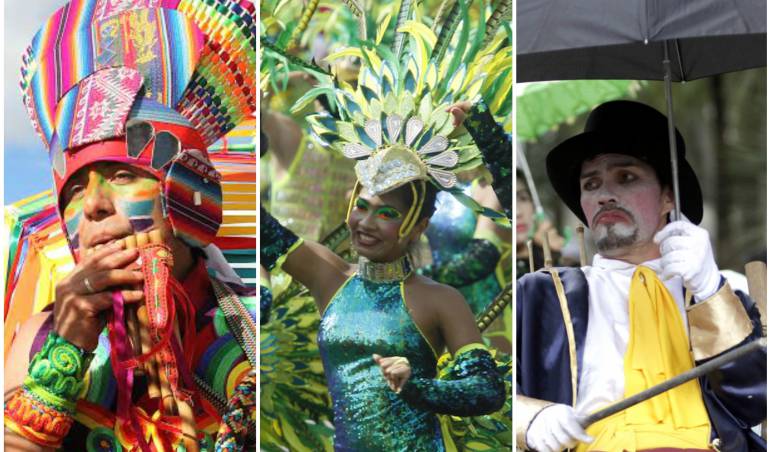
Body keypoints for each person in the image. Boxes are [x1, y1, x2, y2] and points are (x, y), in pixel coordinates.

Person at [4, 1, 256, 451]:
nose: (95, 206)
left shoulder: (255, 326)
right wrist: (64, 352)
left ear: (185, 191)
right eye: (76, 190)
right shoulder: (38, 333)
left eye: (122, 176)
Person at [260, 6, 511, 448]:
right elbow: (263, 229)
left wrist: (419, 387)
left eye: (387, 213)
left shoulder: (440, 300)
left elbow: (486, 391)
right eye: (362, 206)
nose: (365, 223)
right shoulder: (330, 278)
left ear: (419, 225)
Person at [517, 101, 766, 452]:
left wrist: (710, 290)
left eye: (626, 177)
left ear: (668, 197)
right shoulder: (540, 295)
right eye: (590, 184)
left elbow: (755, 400)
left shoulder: (716, 293)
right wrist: (529, 418)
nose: (604, 195)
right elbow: (494, 395)